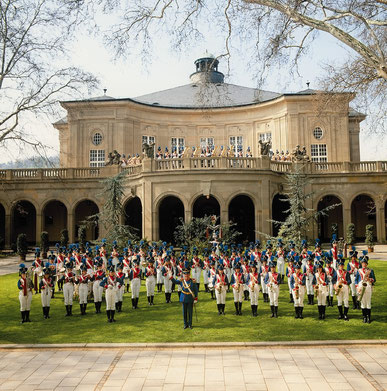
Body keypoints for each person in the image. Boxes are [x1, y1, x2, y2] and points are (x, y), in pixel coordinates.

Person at [355, 251, 376, 324]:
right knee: (363, 302)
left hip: (368, 286)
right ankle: (364, 317)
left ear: (367, 264)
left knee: (368, 302)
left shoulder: (370, 270)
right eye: (363, 263)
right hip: (361, 286)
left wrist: (369, 279)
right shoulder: (359, 271)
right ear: (361, 264)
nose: (364, 264)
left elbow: (374, 279)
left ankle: (368, 317)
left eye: (365, 263)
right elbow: (356, 280)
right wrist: (358, 288)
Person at [332, 256, 351, 321]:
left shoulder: (346, 272)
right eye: (340, 265)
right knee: (339, 301)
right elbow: (333, 280)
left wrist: (344, 281)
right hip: (338, 286)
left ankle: (345, 314)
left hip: (345, 287)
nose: (341, 266)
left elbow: (349, 281)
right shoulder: (336, 272)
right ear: (338, 266)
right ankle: (341, 314)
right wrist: (334, 286)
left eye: (342, 265)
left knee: (346, 301)